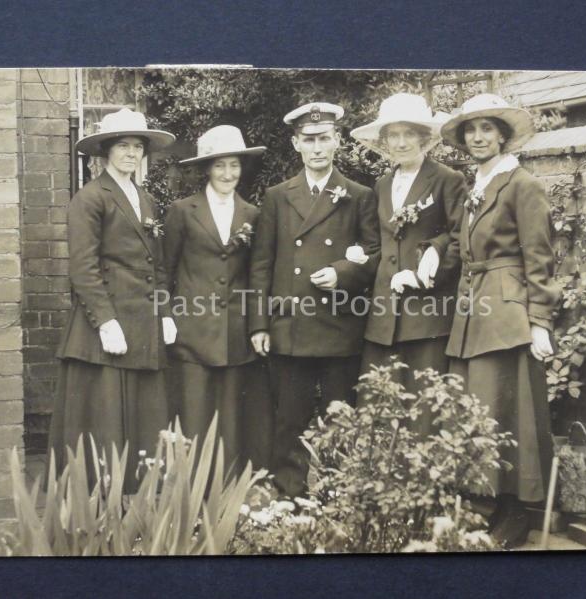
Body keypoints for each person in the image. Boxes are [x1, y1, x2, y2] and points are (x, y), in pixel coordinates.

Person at [440, 93, 561, 547]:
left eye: (487, 129)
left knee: (510, 413)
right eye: (470, 131)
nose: (477, 137)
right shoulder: (479, 185)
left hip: (507, 313)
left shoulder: (521, 183)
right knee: (480, 410)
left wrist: (540, 321)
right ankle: (486, 505)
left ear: (502, 136)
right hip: (475, 310)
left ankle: (516, 512)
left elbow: (540, 256)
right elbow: (461, 247)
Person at [248, 102, 381, 498]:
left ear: (337, 141)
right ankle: (289, 495)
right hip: (291, 325)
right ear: (296, 144)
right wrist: (259, 323)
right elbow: (261, 264)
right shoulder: (276, 196)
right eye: (309, 140)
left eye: (324, 138)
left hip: (340, 324)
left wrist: (342, 272)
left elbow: (374, 254)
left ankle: (339, 495)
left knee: (341, 417)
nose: (318, 147)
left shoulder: (359, 195)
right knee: (289, 418)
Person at [49, 108, 177, 493]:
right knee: (105, 424)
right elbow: (83, 268)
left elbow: (157, 264)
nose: (131, 153)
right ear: (104, 152)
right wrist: (105, 322)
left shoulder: (146, 199)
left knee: (143, 425)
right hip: (106, 333)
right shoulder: (89, 198)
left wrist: (166, 313)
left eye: (138, 146)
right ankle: (101, 511)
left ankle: (139, 506)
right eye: (123, 145)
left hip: (144, 327)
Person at [350, 92, 466, 434]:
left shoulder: (447, 179)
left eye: (408, 134)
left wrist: (426, 268)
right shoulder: (381, 185)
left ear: (424, 137)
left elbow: (461, 238)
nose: (400, 143)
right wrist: (355, 257)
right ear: (384, 141)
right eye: (393, 136)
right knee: (379, 408)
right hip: (383, 316)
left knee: (422, 410)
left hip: (426, 315)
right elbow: (378, 244)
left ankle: (422, 486)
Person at [163, 125, 267, 472]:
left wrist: (256, 325)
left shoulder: (251, 214)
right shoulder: (182, 211)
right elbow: (166, 270)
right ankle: (191, 499)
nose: (228, 174)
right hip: (192, 333)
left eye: (234, 165)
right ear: (207, 168)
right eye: (220, 166)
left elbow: (256, 275)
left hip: (235, 334)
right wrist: (166, 316)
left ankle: (230, 502)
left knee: (233, 423)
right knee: (194, 419)